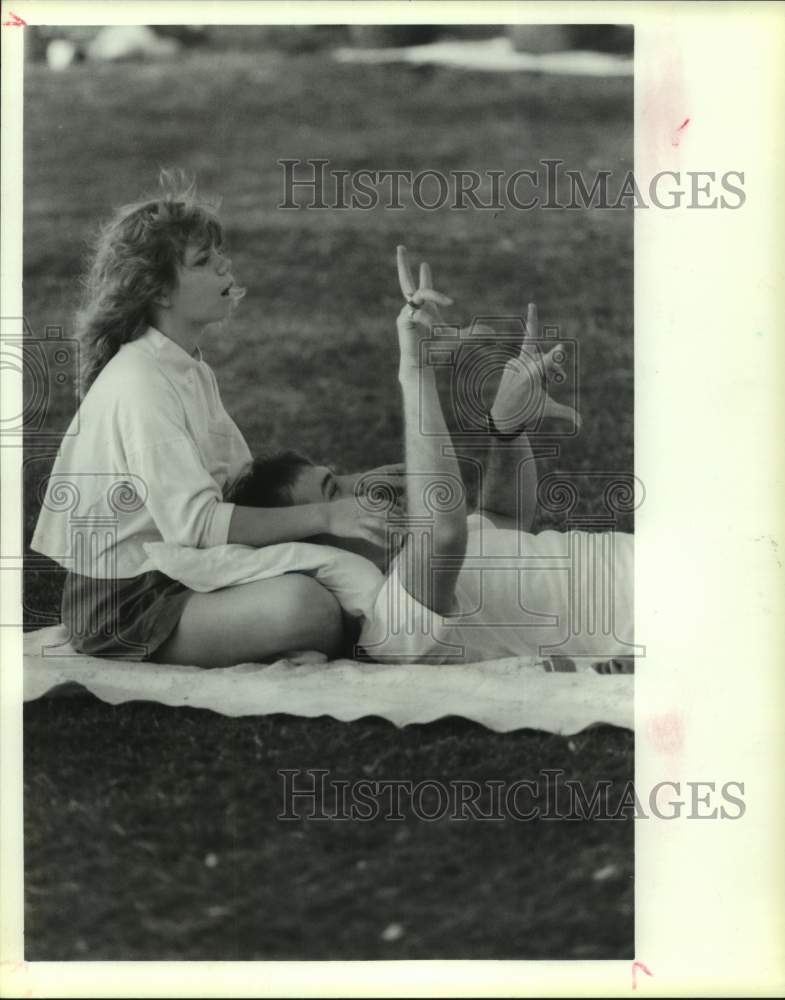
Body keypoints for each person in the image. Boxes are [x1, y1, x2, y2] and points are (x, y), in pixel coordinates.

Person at [157, 256, 634, 670]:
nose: (360, 482)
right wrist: (415, 366)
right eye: (332, 492)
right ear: (314, 550)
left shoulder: (414, 563)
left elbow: (508, 520)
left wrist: (505, 429)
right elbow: (444, 530)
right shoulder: (391, 621)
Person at [30, 172, 401, 667]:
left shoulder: (185, 364)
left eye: (217, 254)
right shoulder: (141, 382)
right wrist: (326, 515)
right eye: (204, 262)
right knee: (307, 608)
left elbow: (237, 486)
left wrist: (349, 489)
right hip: (126, 606)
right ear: (160, 292)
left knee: (363, 539)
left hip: (182, 569)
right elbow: (199, 525)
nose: (225, 266)